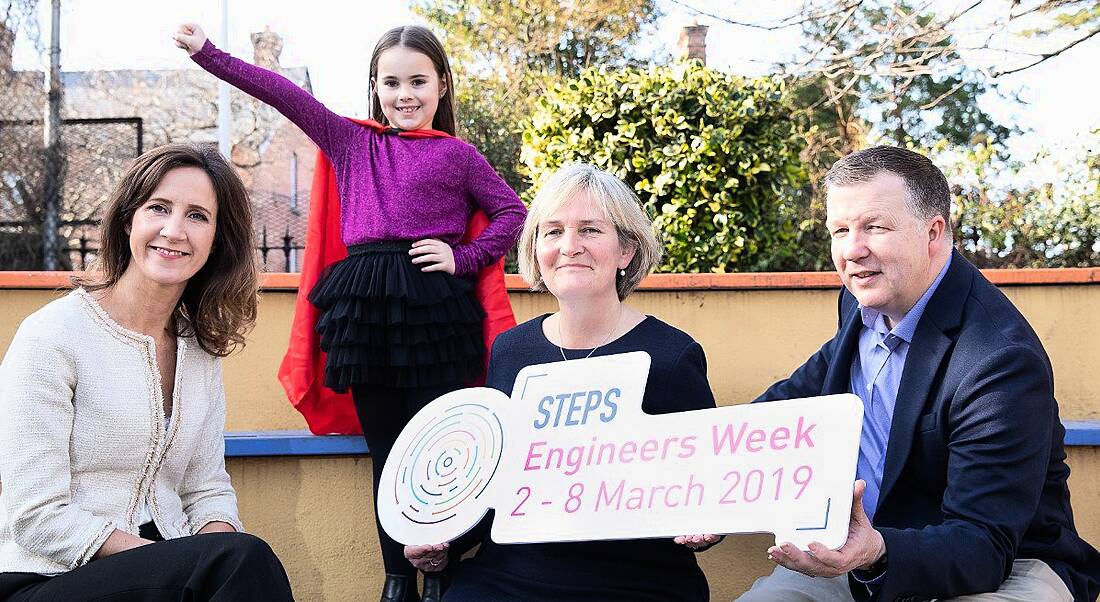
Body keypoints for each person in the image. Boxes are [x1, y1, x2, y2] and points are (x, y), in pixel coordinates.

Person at [174, 23, 526, 602]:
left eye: (418, 80)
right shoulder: (349, 141)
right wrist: (207, 54)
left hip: (436, 312)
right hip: (363, 314)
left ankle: (439, 571)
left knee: (443, 446)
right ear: (375, 86)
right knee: (386, 450)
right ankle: (396, 578)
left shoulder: (460, 157)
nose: (405, 94)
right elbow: (282, 93)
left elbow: (511, 212)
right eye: (392, 82)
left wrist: (465, 257)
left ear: (442, 85)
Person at [736, 146, 1100, 602]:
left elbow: (983, 545)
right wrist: (712, 476)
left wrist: (876, 550)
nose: (852, 250)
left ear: (933, 232)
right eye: (841, 230)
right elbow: (804, 393)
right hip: (863, 551)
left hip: (1003, 565)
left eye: (875, 227)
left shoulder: (999, 358)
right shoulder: (863, 301)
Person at [404, 163, 720, 601]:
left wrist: (705, 525)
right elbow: (490, 484)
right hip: (508, 575)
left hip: (634, 582)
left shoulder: (671, 355)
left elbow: (710, 487)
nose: (569, 246)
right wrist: (441, 545)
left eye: (590, 230)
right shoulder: (511, 352)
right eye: (552, 232)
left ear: (626, 251)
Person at [0, 143, 294, 601]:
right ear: (128, 221)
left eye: (197, 216)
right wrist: (180, 563)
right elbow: (35, 514)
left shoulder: (199, 350)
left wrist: (209, 549)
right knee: (242, 562)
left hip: (161, 573)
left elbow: (206, 487)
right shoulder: (52, 336)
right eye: (158, 208)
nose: (174, 230)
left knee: (238, 557)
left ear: (218, 240)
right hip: (44, 579)